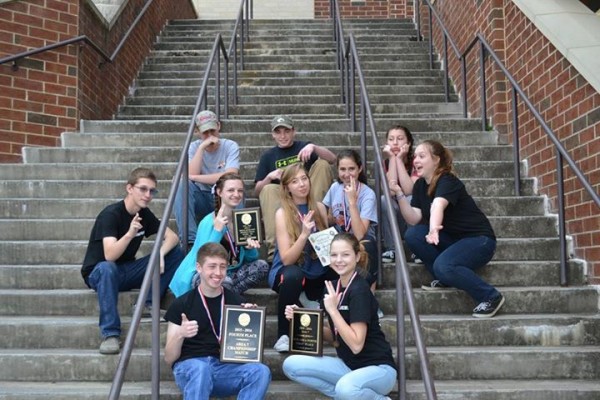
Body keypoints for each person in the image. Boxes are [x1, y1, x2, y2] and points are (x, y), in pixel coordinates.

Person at [393, 139, 505, 318]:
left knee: (443, 265)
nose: (415, 160)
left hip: (479, 241)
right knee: (413, 234)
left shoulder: (447, 179)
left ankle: (490, 296)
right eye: (415, 157)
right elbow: (413, 218)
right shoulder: (421, 185)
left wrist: (433, 229)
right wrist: (399, 194)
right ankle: (444, 277)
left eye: (422, 156)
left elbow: (438, 205)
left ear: (436, 160)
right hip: (453, 240)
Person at [81, 167, 184, 354]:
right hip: (99, 273)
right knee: (107, 268)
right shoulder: (111, 214)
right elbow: (109, 255)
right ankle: (110, 333)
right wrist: (130, 234)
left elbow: (172, 237)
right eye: (143, 189)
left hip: (126, 271)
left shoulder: (145, 214)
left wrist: (159, 253)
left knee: (175, 253)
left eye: (152, 191)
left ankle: (147, 302)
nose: (148, 195)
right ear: (129, 188)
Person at [282, 233, 397, 400]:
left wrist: (334, 311)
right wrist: (300, 320)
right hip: (348, 366)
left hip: (378, 369)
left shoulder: (359, 290)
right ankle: (345, 395)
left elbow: (356, 344)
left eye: (345, 254)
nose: (339, 260)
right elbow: (334, 337)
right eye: (334, 255)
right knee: (291, 365)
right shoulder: (331, 287)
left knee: (346, 388)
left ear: (357, 257)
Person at [164, 242, 271, 399]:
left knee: (261, 371)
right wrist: (180, 334)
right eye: (212, 266)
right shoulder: (181, 304)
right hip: (190, 368)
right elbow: (169, 358)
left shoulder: (236, 302)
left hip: (223, 369)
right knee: (201, 369)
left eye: (222, 267)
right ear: (199, 268)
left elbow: (247, 350)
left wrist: (251, 319)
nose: (218, 272)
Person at [269, 163, 338, 352]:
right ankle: (283, 334)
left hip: (315, 269)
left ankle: (341, 329)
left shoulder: (320, 209)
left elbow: (326, 248)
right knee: (293, 275)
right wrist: (304, 234)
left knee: (342, 269)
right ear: (287, 187)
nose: (301, 184)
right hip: (288, 272)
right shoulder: (282, 213)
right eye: (295, 181)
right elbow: (287, 259)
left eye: (304, 179)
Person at [169, 173, 269, 297]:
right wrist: (217, 231)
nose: (236, 194)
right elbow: (204, 257)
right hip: (202, 274)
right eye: (231, 190)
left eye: (240, 191)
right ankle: (226, 298)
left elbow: (250, 260)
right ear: (219, 192)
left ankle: (227, 296)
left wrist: (249, 249)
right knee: (223, 281)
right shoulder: (208, 221)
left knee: (262, 266)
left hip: (228, 273)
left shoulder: (242, 221)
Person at [254, 115, 336, 257]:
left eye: (286, 131)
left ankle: (319, 228)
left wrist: (313, 147)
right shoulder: (268, 156)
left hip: (309, 198)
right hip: (286, 203)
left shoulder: (304, 147)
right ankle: (275, 250)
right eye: (278, 132)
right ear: (273, 134)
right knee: (267, 189)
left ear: (293, 131)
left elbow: (333, 159)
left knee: (322, 164)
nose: (283, 136)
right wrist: (269, 177)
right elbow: (256, 191)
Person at [174, 110, 241, 245]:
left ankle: (238, 239)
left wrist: (195, 177)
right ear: (197, 132)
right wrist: (201, 148)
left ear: (218, 126)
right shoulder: (193, 147)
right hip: (202, 198)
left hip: (223, 197)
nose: (210, 136)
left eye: (213, 130)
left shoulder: (230, 145)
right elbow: (188, 179)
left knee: (236, 189)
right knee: (181, 186)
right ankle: (190, 241)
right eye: (205, 132)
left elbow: (230, 176)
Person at [321, 149, 378, 288]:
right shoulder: (335, 187)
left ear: (360, 169)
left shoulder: (368, 194)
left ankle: (369, 299)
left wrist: (352, 202)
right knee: (318, 244)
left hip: (359, 238)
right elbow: (328, 216)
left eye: (351, 169)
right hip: (340, 234)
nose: (347, 174)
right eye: (342, 169)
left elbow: (360, 234)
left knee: (368, 246)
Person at [381, 125, 417, 263]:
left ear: (408, 143)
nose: (395, 143)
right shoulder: (384, 162)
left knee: (410, 198)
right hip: (394, 217)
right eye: (391, 139)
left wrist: (400, 160)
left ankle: (416, 248)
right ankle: (391, 249)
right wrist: (392, 159)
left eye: (400, 139)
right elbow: (390, 191)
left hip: (413, 216)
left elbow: (409, 190)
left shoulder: (416, 161)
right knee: (384, 200)